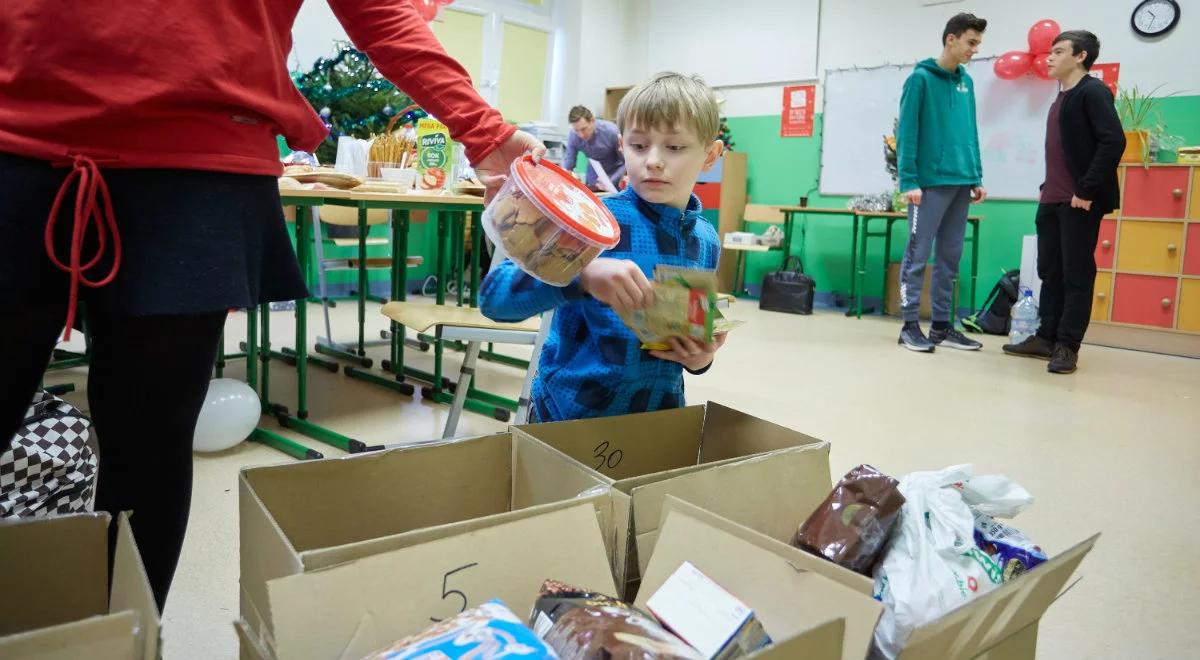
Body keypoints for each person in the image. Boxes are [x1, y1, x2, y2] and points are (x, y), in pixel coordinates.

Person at [0, 0, 542, 610]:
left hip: (198, 162)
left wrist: (486, 130)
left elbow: (380, 11)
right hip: (20, 134)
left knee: (147, 447)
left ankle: (117, 643)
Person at [481, 72, 727, 423]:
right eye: (639, 146)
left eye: (674, 147)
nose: (653, 160)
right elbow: (494, 300)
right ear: (621, 145)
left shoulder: (705, 240)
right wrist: (579, 275)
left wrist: (701, 360)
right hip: (566, 418)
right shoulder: (589, 220)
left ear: (710, 154)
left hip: (654, 422)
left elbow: (688, 341)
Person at [1003, 31, 1124, 374]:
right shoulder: (1061, 97)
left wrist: (1085, 191)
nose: (1050, 58)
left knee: (1077, 274)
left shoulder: (1093, 92)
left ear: (1081, 56)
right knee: (1050, 272)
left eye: (1058, 52)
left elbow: (1113, 141)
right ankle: (1046, 337)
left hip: (1078, 202)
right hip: (1052, 199)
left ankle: (1067, 346)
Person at [896, 12, 989, 353]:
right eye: (971, 42)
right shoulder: (920, 79)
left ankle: (940, 326)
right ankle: (908, 325)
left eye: (978, 44)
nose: (974, 50)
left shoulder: (967, 83)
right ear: (951, 38)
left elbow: (971, 132)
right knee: (917, 256)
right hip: (928, 185)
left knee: (950, 258)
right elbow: (906, 133)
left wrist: (975, 175)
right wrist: (908, 180)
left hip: (961, 182)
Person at [562, 105, 626, 191]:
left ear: (592, 120)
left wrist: (611, 180)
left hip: (614, 176)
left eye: (584, 129)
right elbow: (568, 163)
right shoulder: (574, 135)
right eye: (577, 130)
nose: (581, 135)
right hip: (593, 177)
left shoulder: (612, 132)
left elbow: (626, 162)